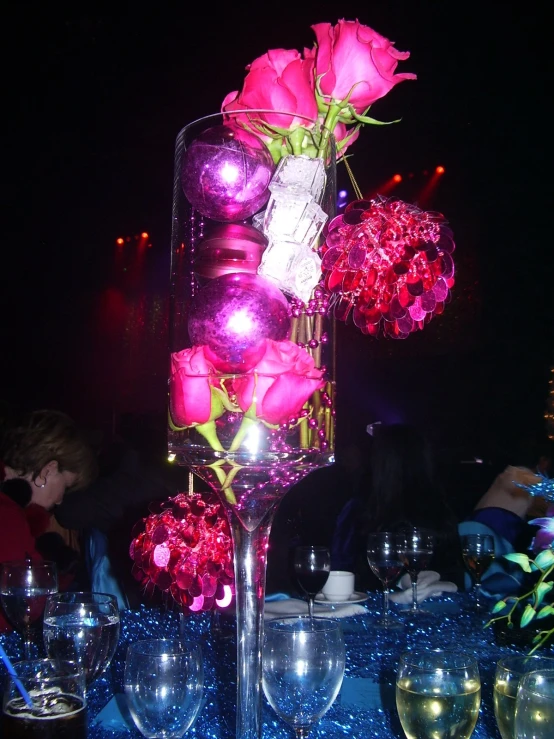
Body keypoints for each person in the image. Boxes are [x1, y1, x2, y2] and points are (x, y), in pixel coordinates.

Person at [329, 423, 464, 593]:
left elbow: (344, 573)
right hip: (442, 611)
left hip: (371, 611)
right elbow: (458, 575)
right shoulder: (441, 509)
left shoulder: (361, 510)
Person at [0, 408, 98, 632]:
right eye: (66, 486)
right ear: (49, 470)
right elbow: (27, 610)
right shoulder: (8, 519)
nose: (61, 499)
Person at [465, 435, 553, 551]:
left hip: (478, 534)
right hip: (485, 536)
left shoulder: (511, 475)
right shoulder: (517, 476)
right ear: (543, 461)